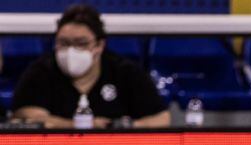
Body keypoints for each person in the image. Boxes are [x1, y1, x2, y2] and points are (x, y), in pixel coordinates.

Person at [12, 4, 168, 129]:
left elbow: (161, 118)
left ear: (99, 45)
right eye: (63, 43)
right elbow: (28, 117)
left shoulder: (125, 71)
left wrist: (122, 126)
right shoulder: (40, 71)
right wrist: (81, 126)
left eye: (81, 43)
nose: (71, 50)